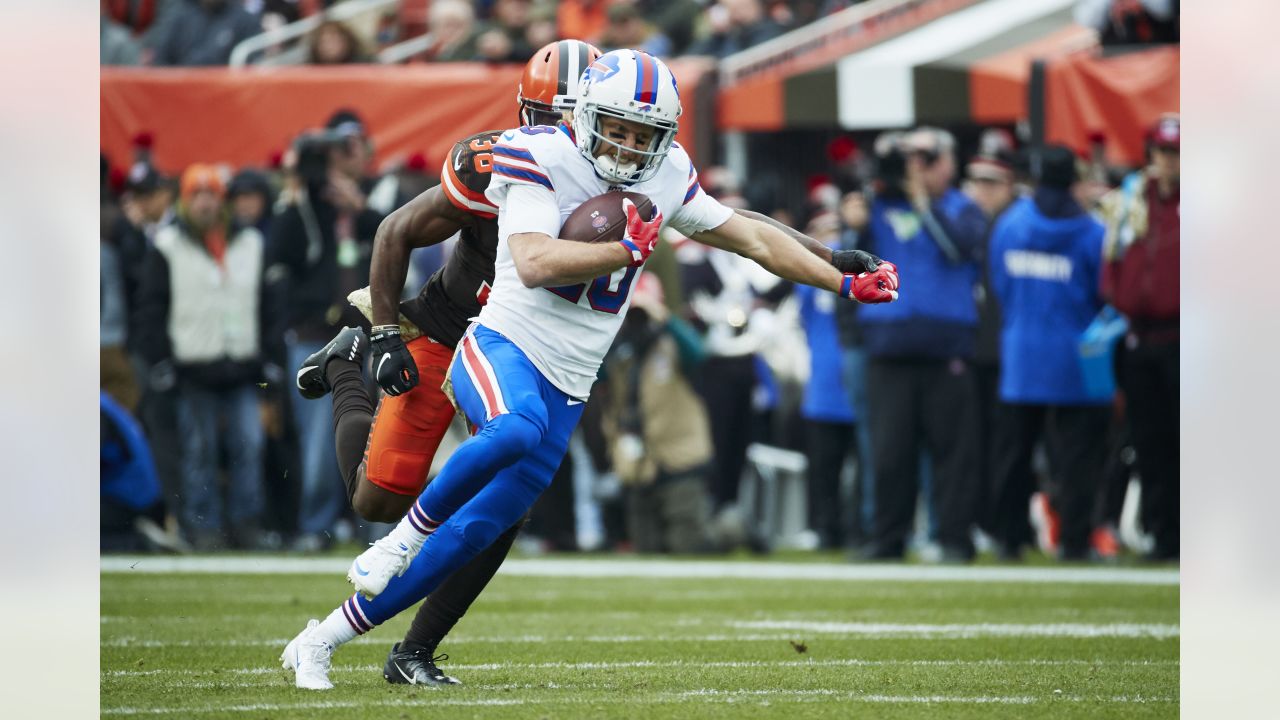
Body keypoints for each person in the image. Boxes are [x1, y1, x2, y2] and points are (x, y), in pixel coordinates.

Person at [282, 49, 898, 690]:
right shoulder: (535, 154)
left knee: (482, 526)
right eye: (617, 127)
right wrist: (621, 248)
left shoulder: (667, 174)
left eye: (644, 134)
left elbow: (748, 235)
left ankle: (322, 639)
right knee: (495, 438)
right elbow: (536, 261)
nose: (629, 147)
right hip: (495, 343)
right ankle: (395, 541)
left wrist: (839, 278)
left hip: (571, 379)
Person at [289, 39, 603, 687]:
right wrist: (380, 335)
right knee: (377, 500)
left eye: (576, 118)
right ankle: (347, 364)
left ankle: (414, 652)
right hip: (451, 331)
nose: (563, 134)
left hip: (522, 347)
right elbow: (395, 231)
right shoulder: (497, 164)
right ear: (525, 115)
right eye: (551, 118)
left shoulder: (616, 175)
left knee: (504, 501)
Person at [856, 127, 988, 562]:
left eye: (927, 160)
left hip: (947, 347)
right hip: (889, 345)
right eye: (909, 160)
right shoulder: (878, 206)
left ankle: (953, 539)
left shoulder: (963, 209)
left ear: (949, 164)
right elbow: (852, 257)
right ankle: (886, 540)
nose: (917, 169)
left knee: (954, 452)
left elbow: (958, 249)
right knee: (890, 453)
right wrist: (863, 201)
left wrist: (922, 202)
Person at [133, 164, 276, 549]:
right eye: (195, 194)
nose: (203, 202)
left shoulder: (251, 243)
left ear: (221, 199)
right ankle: (205, 527)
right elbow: (150, 309)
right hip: (193, 367)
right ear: (184, 199)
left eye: (210, 193)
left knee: (250, 445)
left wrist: (269, 356)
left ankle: (247, 524)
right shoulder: (166, 245)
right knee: (200, 452)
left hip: (243, 364)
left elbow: (267, 305)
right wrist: (160, 360)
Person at [267, 110, 388, 551]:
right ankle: (316, 525)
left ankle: (373, 525)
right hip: (315, 333)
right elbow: (280, 251)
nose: (343, 160)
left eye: (350, 148)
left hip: (366, 332)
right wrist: (303, 194)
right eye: (335, 151)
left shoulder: (370, 202)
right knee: (321, 438)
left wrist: (357, 206)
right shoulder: (301, 210)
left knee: (378, 430)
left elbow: (392, 241)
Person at [987, 145, 1110, 561]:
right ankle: (1074, 542)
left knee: (1014, 456)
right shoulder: (1092, 232)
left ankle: (1009, 538)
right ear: (1074, 181)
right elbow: (1102, 293)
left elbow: (999, 285)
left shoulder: (1012, 224)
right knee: (1078, 459)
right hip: (1077, 358)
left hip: (1021, 354)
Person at [1100, 113, 1179, 561]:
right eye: (1162, 151)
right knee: (1149, 442)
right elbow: (1111, 255)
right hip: (1138, 337)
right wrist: (1115, 294)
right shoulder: (1131, 199)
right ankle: (1162, 534)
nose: (1168, 161)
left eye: (1176, 152)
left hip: (1188, 336)